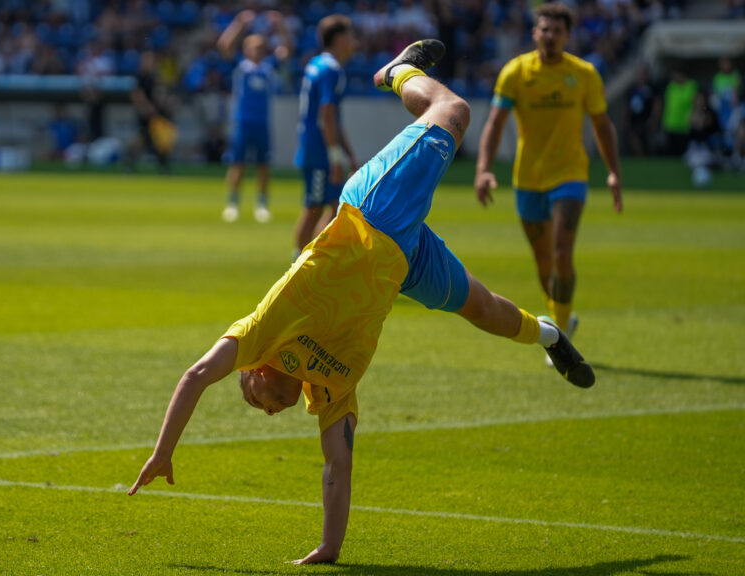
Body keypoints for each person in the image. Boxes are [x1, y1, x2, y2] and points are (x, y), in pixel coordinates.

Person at [129, 40, 595, 565]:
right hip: (402, 260)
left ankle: (398, 72)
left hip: (371, 215)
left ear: (256, 372)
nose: (271, 412)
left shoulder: (262, 333)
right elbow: (337, 466)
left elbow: (195, 376)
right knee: (482, 308)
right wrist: (331, 546)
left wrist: (163, 451)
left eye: (260, 402)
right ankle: (552, 336)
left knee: (455, 112)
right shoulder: (327, 388)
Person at [474, 3, 622, 361]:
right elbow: (495, 123)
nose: (550, 35)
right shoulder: (516, 72)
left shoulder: (584, 74)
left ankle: (557, 335)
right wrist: (483, 169)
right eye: (545, 29)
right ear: (535, 33)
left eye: (558, 30)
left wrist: (613, 170)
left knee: (561, 253)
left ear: (568, 36)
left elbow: (602, 125)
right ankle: (561, 320)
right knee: (543, 262)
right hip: (528, 179)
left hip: (570, 175)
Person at [217, 9, 291, 224]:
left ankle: (262, 204)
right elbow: (224, 46)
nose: (258, 51)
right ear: (246, 49)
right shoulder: (240, 66)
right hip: (242, 122)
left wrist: (280, 26)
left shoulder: (268, 68)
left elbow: (287, 50)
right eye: (254, 47)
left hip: (262, 123)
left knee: (262, 165)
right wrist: (239, 23)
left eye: (261, 47)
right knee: (237, 164)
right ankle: (232, 203)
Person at [293, 14, 359, 257]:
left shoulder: (317, 64)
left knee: (334, 207)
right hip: (319, 149)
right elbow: (327, 114)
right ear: (340, 38)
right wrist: (335, 157)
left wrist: (348, 154)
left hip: (317, 145)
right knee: (315, 208)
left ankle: (312, 260)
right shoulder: (331, 69)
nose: (355, 41)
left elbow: (333, 117)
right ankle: (301, 264)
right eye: (351, 35)